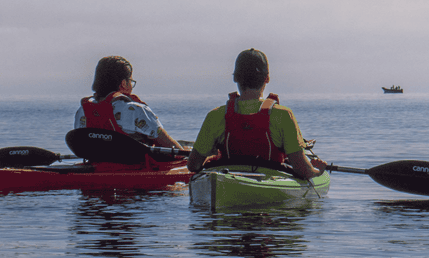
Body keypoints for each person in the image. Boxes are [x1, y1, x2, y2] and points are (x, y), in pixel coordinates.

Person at [186, 48, 327, 180]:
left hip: (227, 179)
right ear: (267, 78)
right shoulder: (283, 115)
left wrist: (212, 157)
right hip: (270, 182)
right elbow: (303, 170)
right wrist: (318, 171)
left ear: (235, 78)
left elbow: (193, 165)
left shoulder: (215, 116)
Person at [74, 55, 186, 150]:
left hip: (98, 164)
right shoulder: (135, 110)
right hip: (135, 166)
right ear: (123, 83)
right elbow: (169, 145)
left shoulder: (83, 111)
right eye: (131, 82)